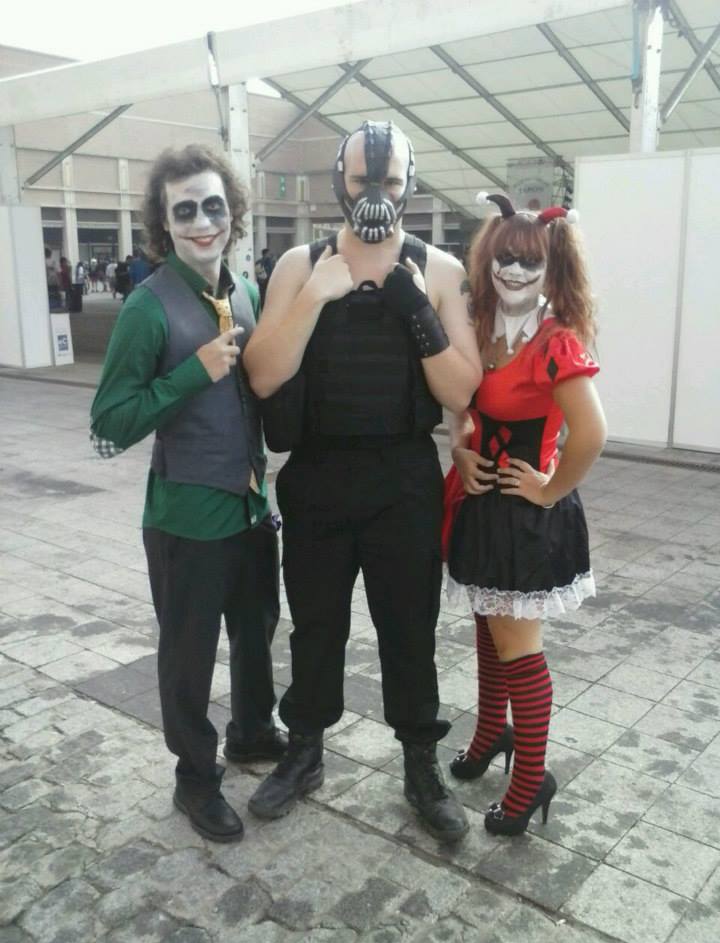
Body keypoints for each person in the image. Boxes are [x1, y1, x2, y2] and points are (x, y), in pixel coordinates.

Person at [243, 120, 483, 842]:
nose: (375, 193)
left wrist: (415, 308)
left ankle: (419, 764)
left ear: (409, 183)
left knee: (409, 629)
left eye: (389, 180)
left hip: (402, 478)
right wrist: (315, 296)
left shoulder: (439, 270)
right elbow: (264, 375)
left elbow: (461, 391)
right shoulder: (299, 263)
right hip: (318, 475)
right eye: (360, 180)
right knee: (316, 625)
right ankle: (305, 750)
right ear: (338, 183)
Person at [90, 144, 286, 843]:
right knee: (189, 653)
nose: (203, 222)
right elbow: (108, 426)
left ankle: (252, 730)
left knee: (257, 630)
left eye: (213, 206)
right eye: (185, 211)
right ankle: (195, 777)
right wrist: (190, 374)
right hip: (186, 518)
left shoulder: (244, 291)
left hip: (251, 507)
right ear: (164, 223)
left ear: (233, 212)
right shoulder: (148, 307)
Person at [444, 194, 607, 836]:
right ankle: (492, 733)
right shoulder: (482, 327)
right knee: (489, 630)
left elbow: (591, 434)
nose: (514, 271)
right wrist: (460, 447)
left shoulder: (555, 342)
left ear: (552, 267)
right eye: (505, 258)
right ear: (489, 260)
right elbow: (464, 408)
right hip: (482, 506)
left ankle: (533, 777)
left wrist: (548, 489)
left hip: (524, 518)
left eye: (529, 261)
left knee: (518, 646)